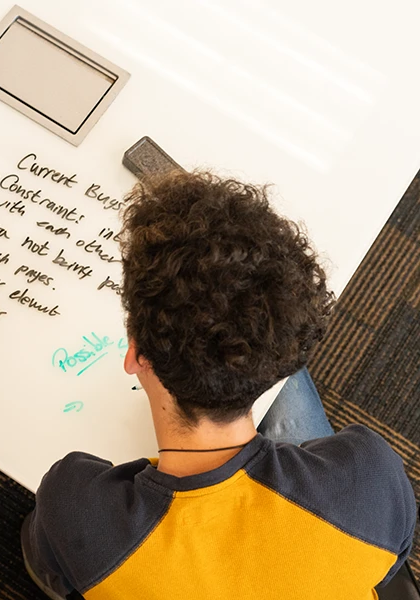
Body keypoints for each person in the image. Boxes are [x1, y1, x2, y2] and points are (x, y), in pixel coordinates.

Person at [22, 171, 416, 599]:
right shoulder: (370, 477)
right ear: (278, 367)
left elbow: (53, 561)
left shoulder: (74, 507)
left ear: (135, 354)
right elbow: (390, 564)